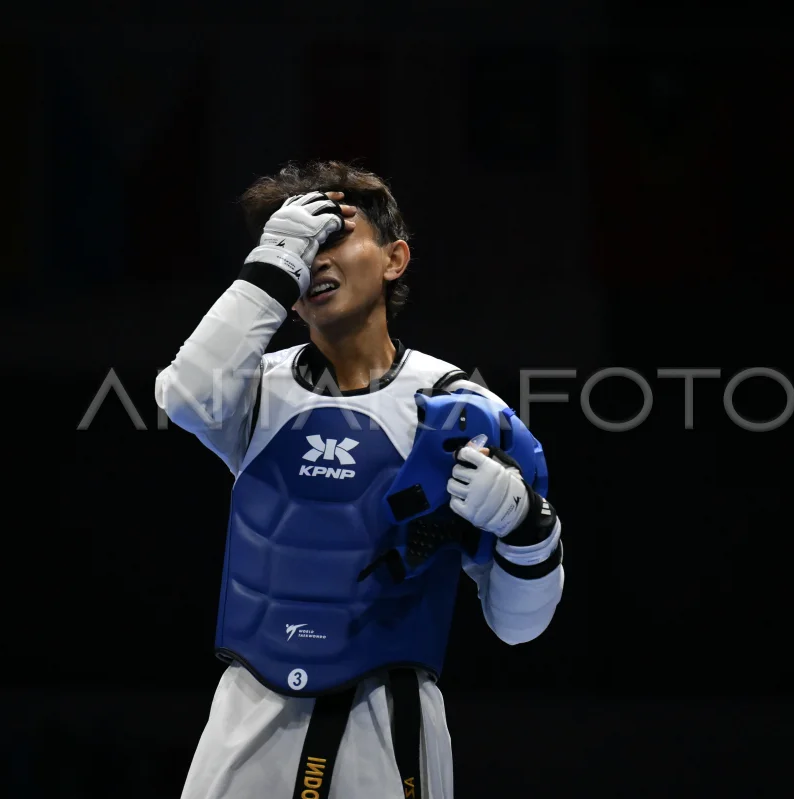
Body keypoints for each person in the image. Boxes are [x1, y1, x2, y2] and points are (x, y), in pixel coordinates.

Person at [155, 161, 565, 799]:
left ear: (395, 259)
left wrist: (526, 528)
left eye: (336, 236)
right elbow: (183, 397)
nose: (314, 256)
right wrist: (268, 271)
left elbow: (519, 627)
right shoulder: (252, 389)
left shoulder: (458, 410)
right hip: (247, 712)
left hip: (387, 720)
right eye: (299, 242)